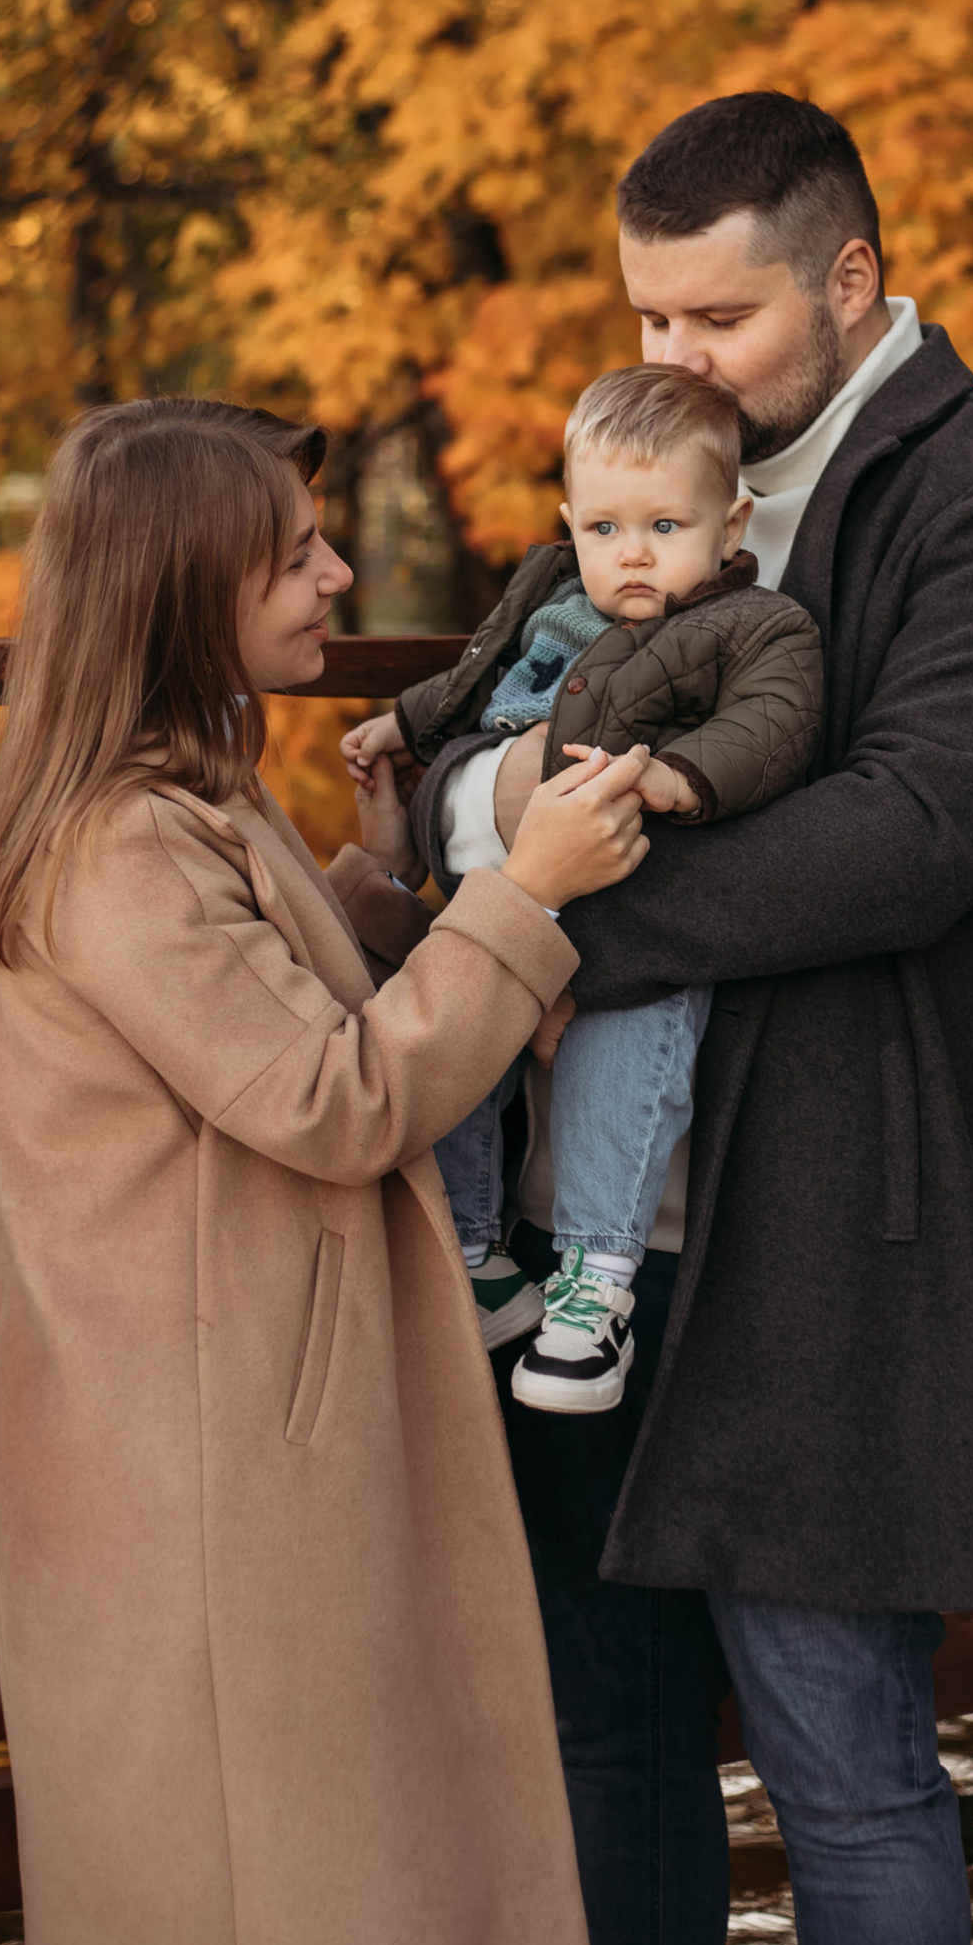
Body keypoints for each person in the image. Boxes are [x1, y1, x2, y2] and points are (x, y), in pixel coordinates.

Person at [412, 94, 973, 1945]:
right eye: (645, 317)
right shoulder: (645, 476)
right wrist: (480, 831)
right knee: (601, 1753)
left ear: (851, 279)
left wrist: (538, 903)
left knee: (852, 1782)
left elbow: (911, 839)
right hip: (580, 1242)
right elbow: (464, 752)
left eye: (712, 323)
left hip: (827, 1237)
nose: (665, 363)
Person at [0, 394, 650, 1945]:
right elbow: (329, 1099)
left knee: (330, 1888)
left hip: (239, 1433)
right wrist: (525, 892)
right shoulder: (122, 836)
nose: (337, 575)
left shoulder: (185, 787)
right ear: (181, 587)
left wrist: (383, 889)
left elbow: (252, 1008)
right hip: (206, 1478)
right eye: (295, 556)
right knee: (274, 1908)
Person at [341, 361, 822, 1415]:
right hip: (514, 895)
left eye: (664, 526)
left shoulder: (753, 627)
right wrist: (409, 723)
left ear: (731, 521)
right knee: (456, 1040)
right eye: (604, 529)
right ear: (571, 524)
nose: (632, 554)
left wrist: (682, 777)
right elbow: (479, 677)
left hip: (634, 905)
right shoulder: (552, 598)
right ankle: (474, 1257)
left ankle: (595, 1287)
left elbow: (774, 728)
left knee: (623, 1046)